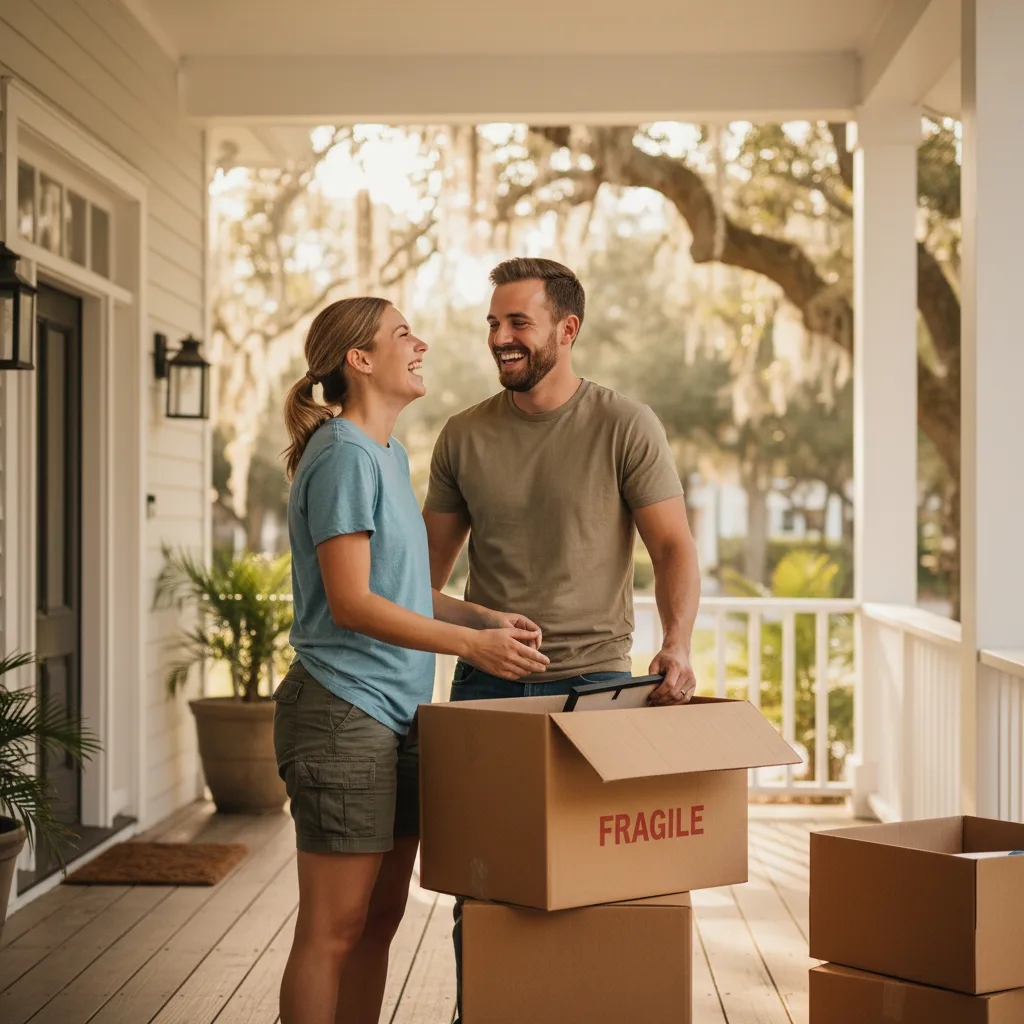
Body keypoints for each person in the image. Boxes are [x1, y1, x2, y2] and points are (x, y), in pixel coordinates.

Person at [422, 258, 701, 1022]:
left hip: (596, 689)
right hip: (486, 691)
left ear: (566, 330)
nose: (500, 339)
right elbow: (422, 582)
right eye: (492, 323)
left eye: (518, 323)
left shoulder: (624, 423)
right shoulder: (464, 435)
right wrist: (476, 639)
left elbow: (673, 546)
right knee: (482, 885)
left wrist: (676, 643)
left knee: (600, 884)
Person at [275, 296, 548, 1024]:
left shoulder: (387, 454)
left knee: (378, 921)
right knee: (332, 929)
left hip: (396, 719)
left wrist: (484, 617)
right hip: (342, 711)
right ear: (359, 360)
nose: (420, 342)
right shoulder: (340, 455)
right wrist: (473, 646)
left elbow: (401, 590)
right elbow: (351, 603)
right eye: (402, 334)